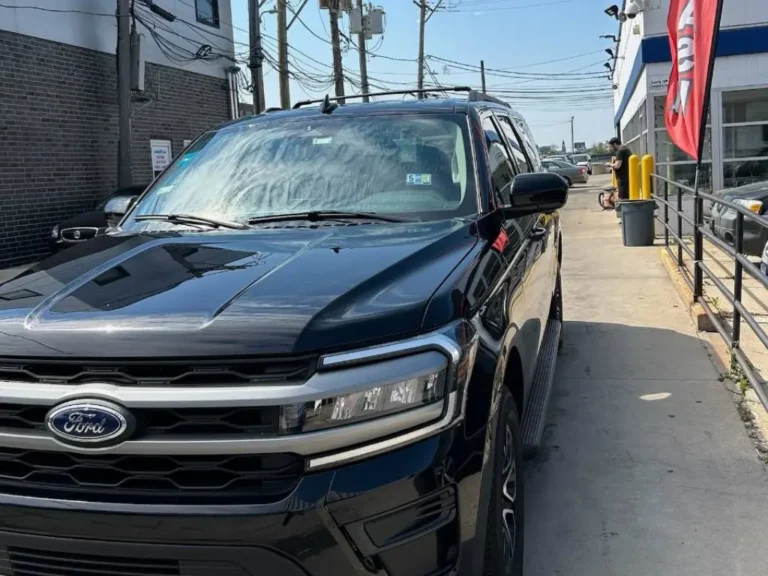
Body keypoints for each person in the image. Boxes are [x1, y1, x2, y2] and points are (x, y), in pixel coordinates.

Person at [603, 137, 631, 208]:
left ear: (615, 144)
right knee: (627, 197)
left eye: (612, 146)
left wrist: (609, 164)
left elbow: (617, 166)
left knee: (624, 199)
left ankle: (624, 216)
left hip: (623, 179)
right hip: (628, 177)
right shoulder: (627, 149)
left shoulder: (620, 151)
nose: (612, 148)